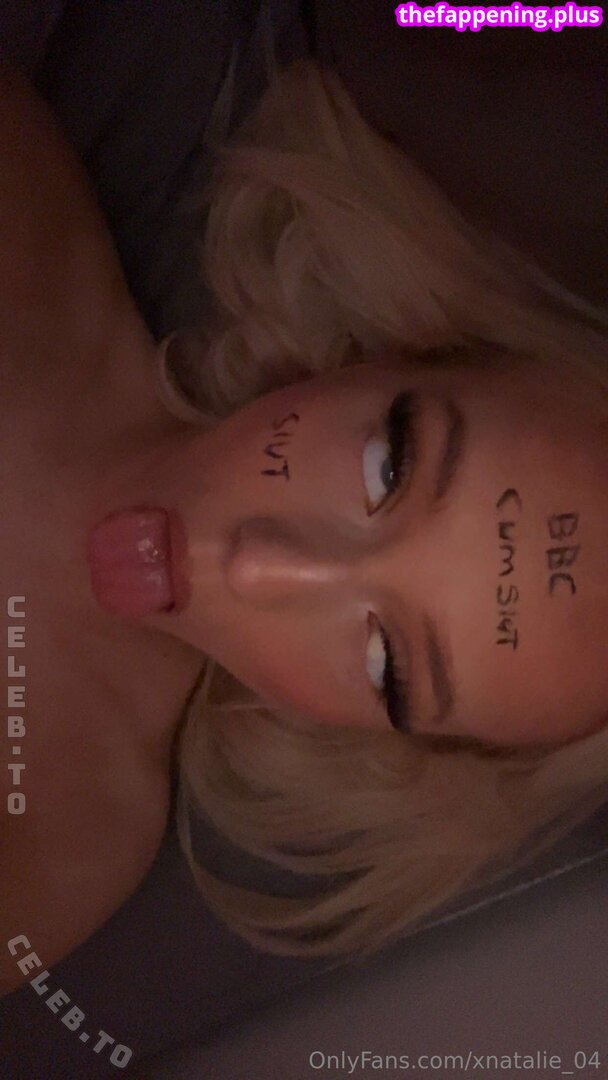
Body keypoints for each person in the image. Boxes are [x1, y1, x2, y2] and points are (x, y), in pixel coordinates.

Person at [1, 55, 607, 1000]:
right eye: (388, 467)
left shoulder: (65, 840)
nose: (259, 568)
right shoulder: (22, 221)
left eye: (387, 664)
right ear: (396, 347)